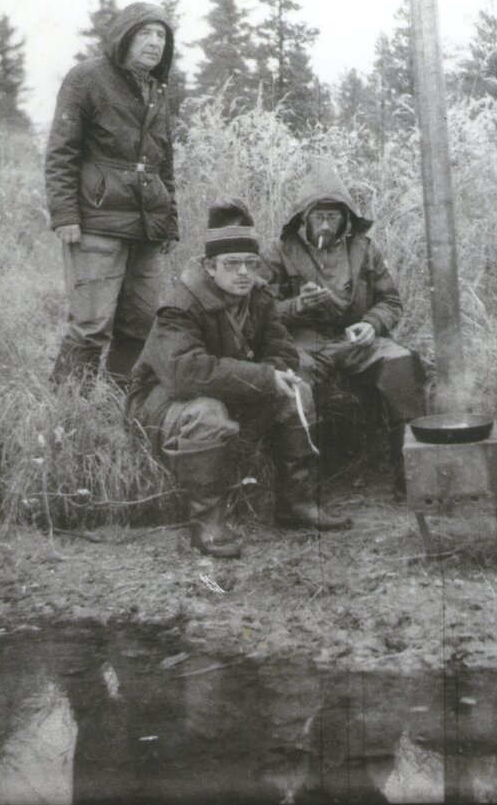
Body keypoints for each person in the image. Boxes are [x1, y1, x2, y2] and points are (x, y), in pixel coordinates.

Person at [126, 200, 351, 558]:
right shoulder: (180, 306)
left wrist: (275, 374)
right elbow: (185, 374)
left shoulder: (257, 296)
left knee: (298, 393)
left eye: (251, 263)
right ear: (210, 266)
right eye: (232, 264)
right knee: (207, 413)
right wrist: (264, 377)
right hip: (161, 404)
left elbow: (282, 351)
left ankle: (296, 503)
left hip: (223, 391)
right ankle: (206, 523)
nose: (245, 273)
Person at [262, 158, 425, 497]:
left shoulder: (364, 249)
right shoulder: (280, 252)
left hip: (355, 339)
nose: (325, 224)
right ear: (303, 217)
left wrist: (371, 324)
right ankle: (301, 495)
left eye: (333, 216)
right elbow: (257, 313)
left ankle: (412, 478)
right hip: (301, 343)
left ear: (346, 218)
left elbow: (391, 301)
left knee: (400, 364)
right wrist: (296, 306)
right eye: (318, 216)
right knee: (293, 382)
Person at [45, 2, 177, 388]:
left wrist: (169, 223)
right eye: (145, 33)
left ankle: (117, 406)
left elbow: (164, 162)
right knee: (90, 326)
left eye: (162, 36)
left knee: (140, 324)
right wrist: (66, 215)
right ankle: (69, 415)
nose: (155, 43)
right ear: (125, 36)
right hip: (97, 222)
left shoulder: (156, 89)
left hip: (147, 226)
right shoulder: (86, 78)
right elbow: (61, 151)